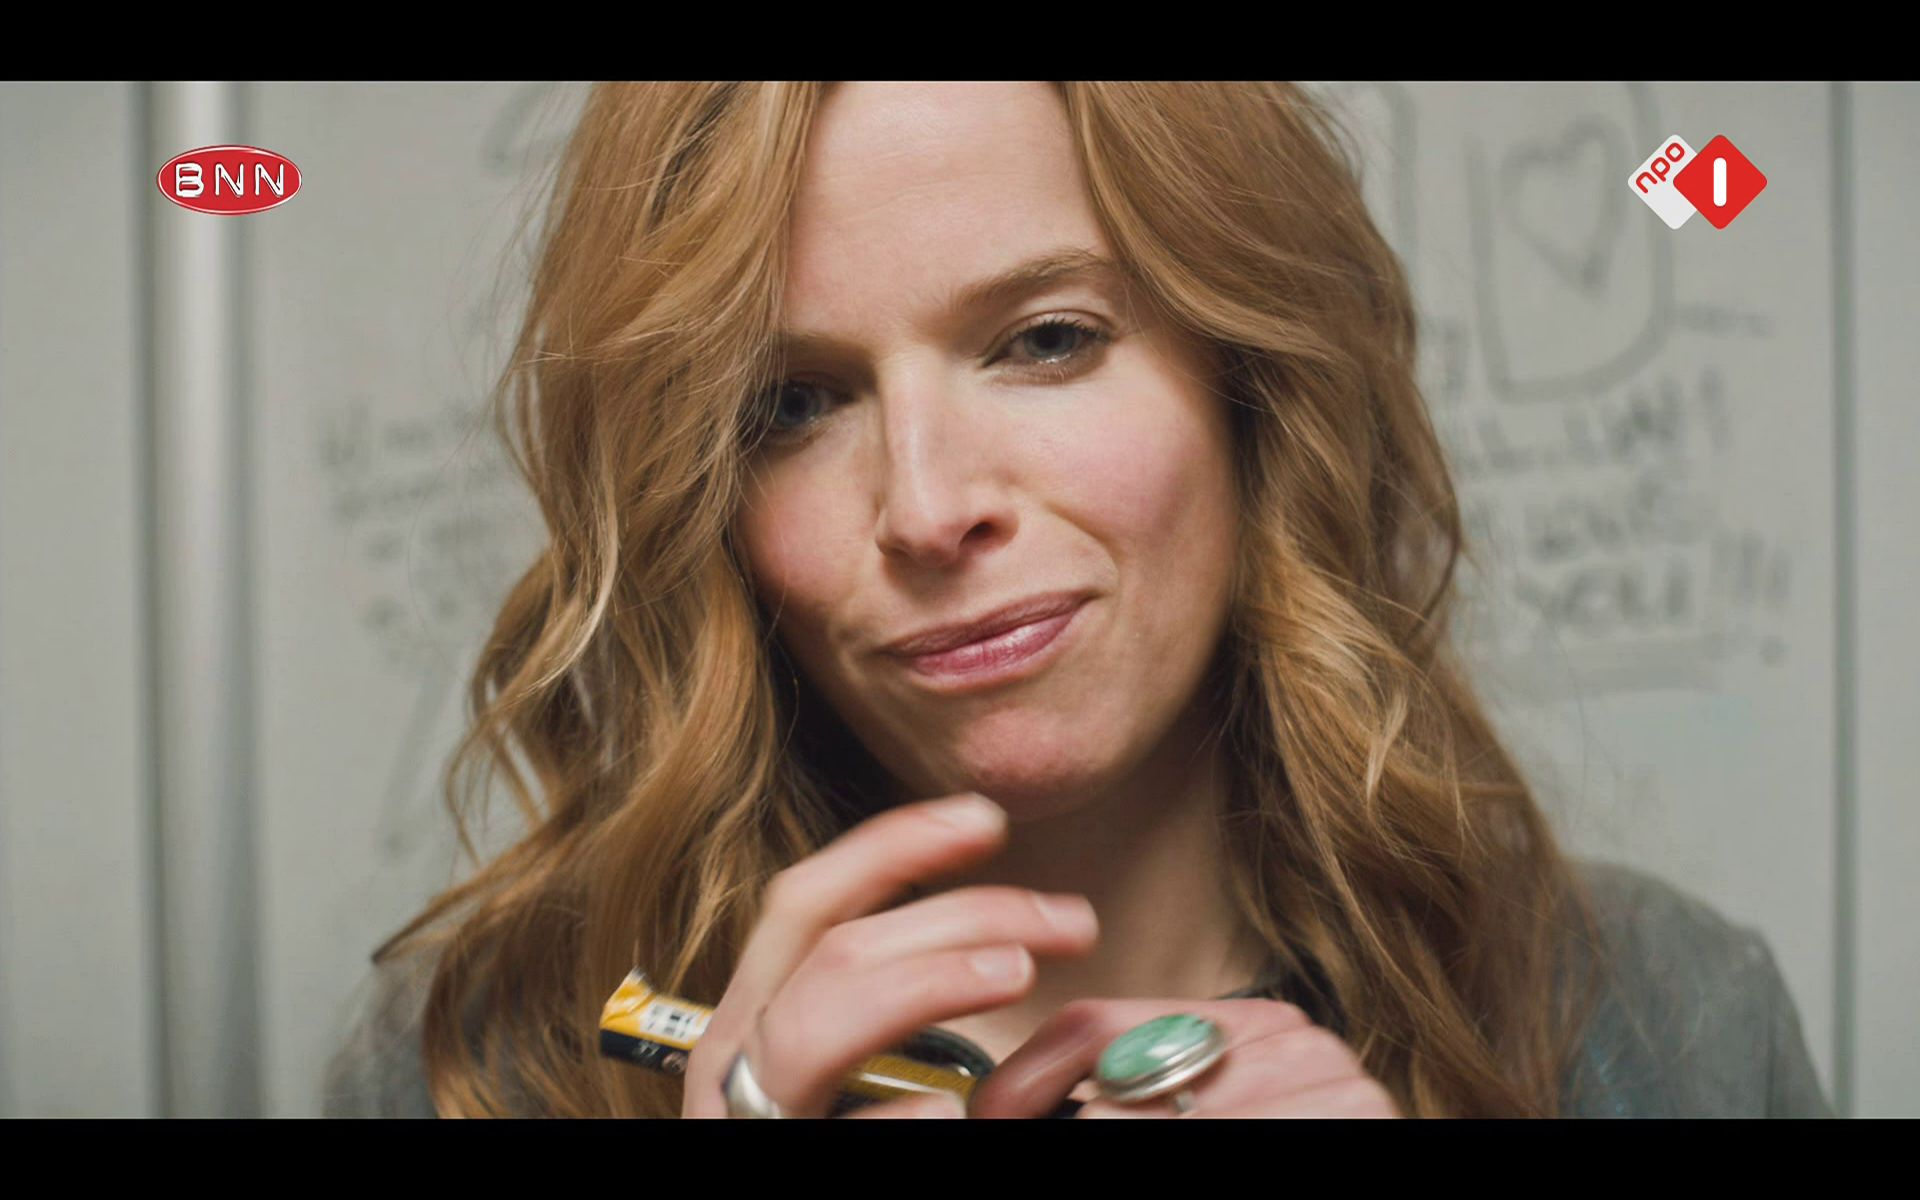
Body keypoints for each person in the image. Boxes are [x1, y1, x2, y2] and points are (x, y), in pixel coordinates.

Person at [323, 81, 1833, 1119]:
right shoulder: (486, 1059)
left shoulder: (1657, 1021)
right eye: (791, 406)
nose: (927, 508)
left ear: (1254, 389)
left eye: (1046, 341)